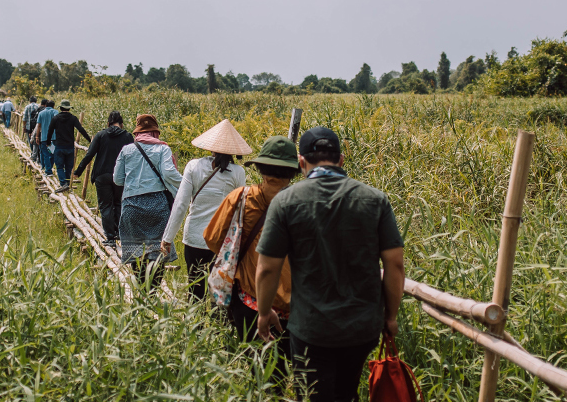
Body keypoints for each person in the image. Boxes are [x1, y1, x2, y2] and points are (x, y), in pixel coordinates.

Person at [253, 126, 405, 402]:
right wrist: (390, 316)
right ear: (341, 160)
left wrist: (264, 313)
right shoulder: (375, 199)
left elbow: (267, 268)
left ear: (301, 162)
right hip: (362, 327)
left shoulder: (286, 202)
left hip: (312, 328)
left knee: (313, 395)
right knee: (347, 393)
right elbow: (395, 264)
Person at [203, 136, 300, 379]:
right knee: (288, 373)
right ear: (293, 172)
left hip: (250, 301)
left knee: (259, 371)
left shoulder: (241, 198)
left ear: (259, 168)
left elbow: (214, 240)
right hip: (296, 308)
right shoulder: (305, 204)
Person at [161, 119, 251, 301]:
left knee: (195, 289)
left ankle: (194, 325)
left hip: (195, 237)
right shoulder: (238, 172)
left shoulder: (194, 166)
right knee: (218, 291)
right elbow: (240, 209)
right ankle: (217, 326)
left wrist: (167, 238)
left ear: (211, 146)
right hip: (222, 240)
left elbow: (180, 205)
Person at [112, 114, 182, 289]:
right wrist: (186, 185)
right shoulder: (163, 149)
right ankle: (152, 291)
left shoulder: (126, 150)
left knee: (136, 251)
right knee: (157, 250)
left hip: (131, 206)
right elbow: (168, 174)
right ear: (154, 132)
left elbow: (117, 180)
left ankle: (140, 288)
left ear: (137, 132)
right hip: (157, 205)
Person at [74, 111, 134, 246]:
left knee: (106, 205)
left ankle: (110, 238)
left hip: (102, 175)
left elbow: (90, 154)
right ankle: (119, 232)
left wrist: (78, 171)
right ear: (121, 124)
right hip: (121, 176)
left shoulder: (101, 135)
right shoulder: (127, 137)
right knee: (119, 203)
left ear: (108, 123)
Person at [46, 99, 90, 190]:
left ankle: (63, 184)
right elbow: (81, 129)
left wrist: (48, 142)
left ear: (61, 108)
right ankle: (66, 182)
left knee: (60, 166)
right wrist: (90, 140)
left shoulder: (56, 118)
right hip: (70, 147)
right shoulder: (73, 118)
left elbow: (50, 131)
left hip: (59, 146)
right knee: (69, 167)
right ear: (69, 108)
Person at [32, 100, 57, 176]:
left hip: (44, 137)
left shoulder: (41, 113)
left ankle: (48, 171)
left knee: (46, 154)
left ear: (45, 106)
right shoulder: (55, 112)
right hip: (53, 137)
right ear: (53, 106)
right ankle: (50, 168)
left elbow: (38, 126)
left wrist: (37, 136)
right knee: (52, 153)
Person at [23, 97, 41, 161]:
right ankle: (37, 156)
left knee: (31, 141)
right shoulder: (38, 106)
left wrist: (24, 126)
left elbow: (24, 118)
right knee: (37, 142)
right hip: (38, 127)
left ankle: (33, 155)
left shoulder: (27, 107)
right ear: (36, 101)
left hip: (29, 127)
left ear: (29, 101)